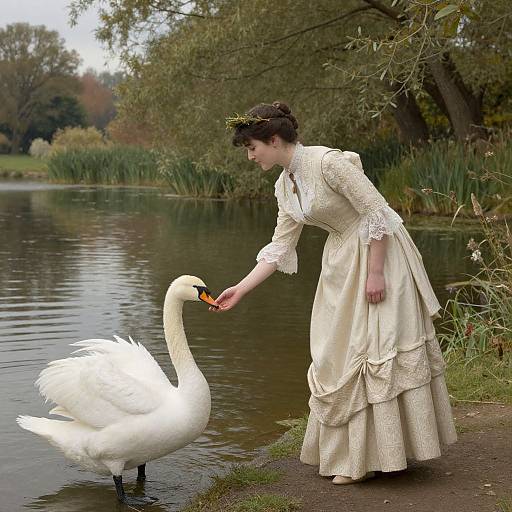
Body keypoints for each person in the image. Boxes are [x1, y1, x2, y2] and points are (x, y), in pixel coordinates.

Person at [211, 101, 457, 484]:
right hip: (340, 261)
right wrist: (240, 289)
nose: (250, 156)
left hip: (379, 254)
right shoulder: (284, 185)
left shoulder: (328, 163)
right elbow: (279, 247)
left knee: (373, 347)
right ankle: (356, 455)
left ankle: (369, 459)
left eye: (252, 147)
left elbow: (378, 212)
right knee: (335, 352)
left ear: (273, 140)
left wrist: (376, 273)